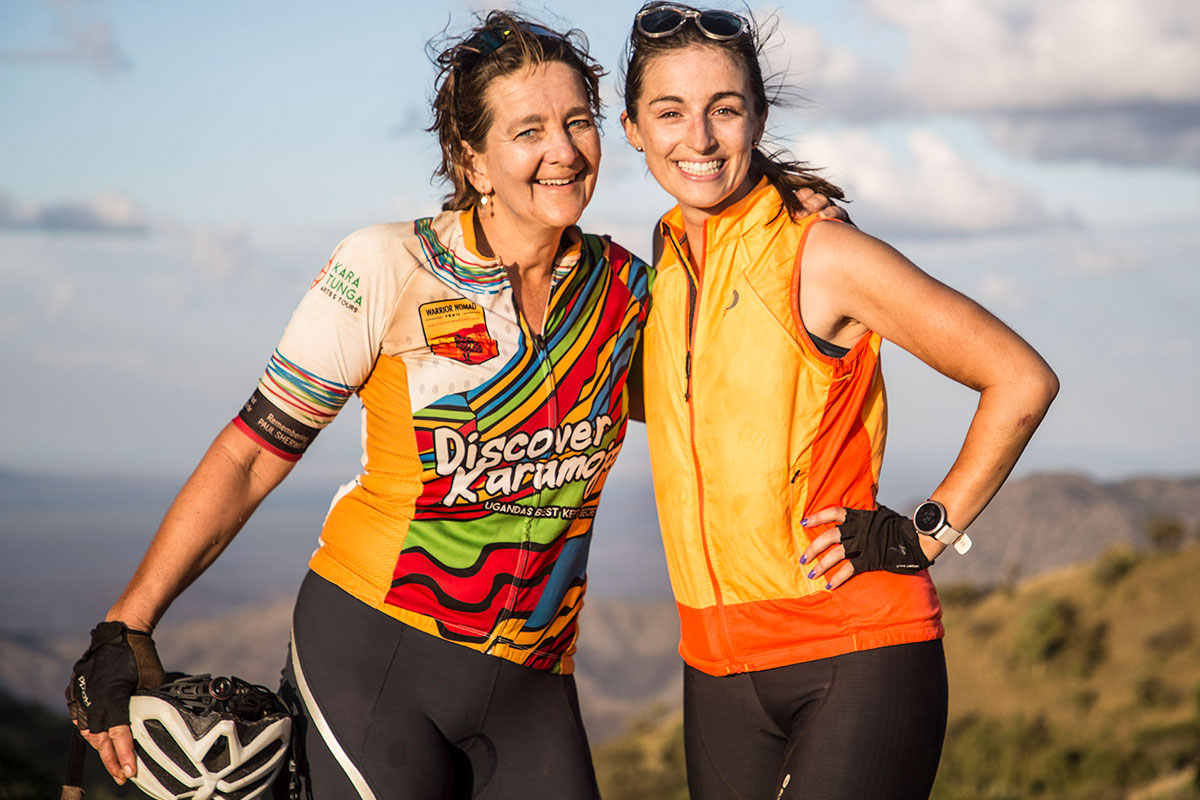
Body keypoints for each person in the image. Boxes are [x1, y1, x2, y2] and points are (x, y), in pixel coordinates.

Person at [66, 13, 654, 799]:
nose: (565, 150)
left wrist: (788, 212)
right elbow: (249, 454)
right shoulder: (389, 267)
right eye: (529, 130)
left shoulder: (624, 291)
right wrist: (127, 621)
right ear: (471, 158)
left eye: (578, 120)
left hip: (536, 680)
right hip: (375, 659)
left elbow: (727, 388)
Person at [619, 3, 1060, 799]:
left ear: (757, 115)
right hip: (715, 670)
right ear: (631, 128)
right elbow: (699, 411)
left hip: (854, 652)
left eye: (725, 109)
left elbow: (1020, 379)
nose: (700, 138)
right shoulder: (670, 258)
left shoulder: (822, 253)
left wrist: (924, 532)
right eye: (670, 112)